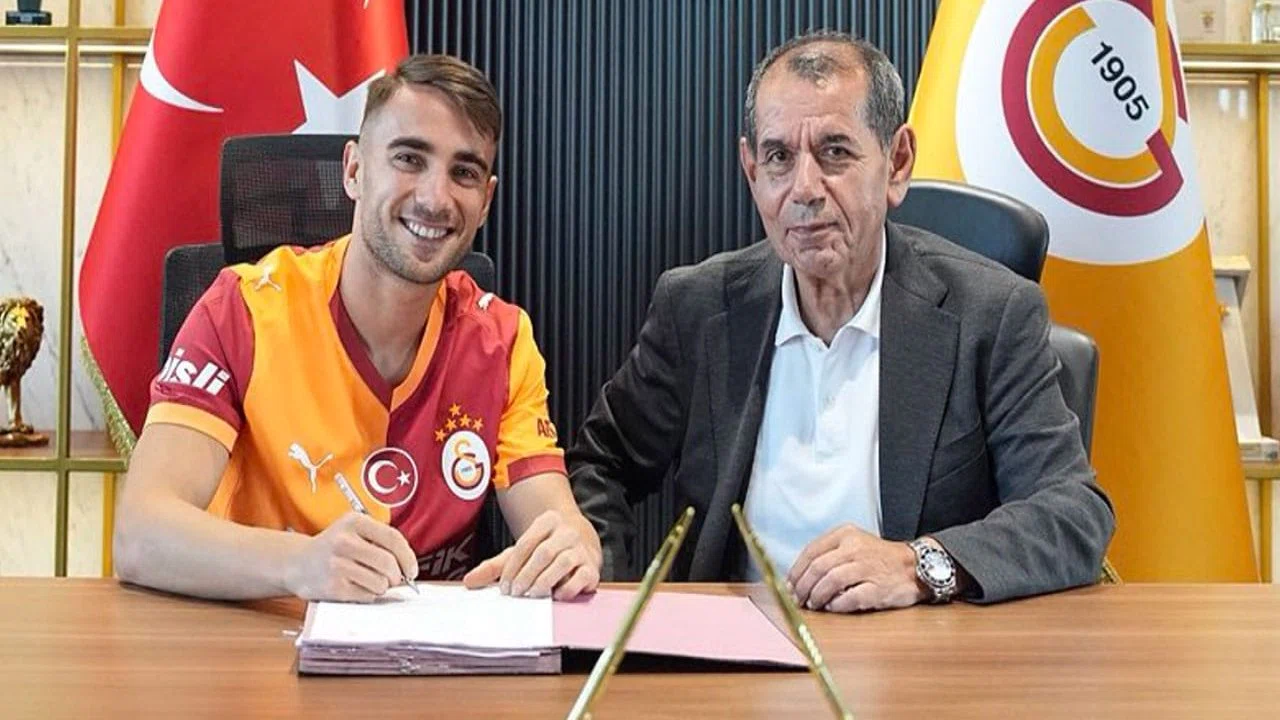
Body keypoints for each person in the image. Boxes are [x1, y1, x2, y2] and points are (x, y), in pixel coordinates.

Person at [568, 31, 1115, 612]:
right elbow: (600, 465)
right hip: (734, 649)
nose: (804, 189)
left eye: (834, 153)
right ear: (751, 170)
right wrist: (601, 583)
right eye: (779, 158)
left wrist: (919, 564)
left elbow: (1073, 514)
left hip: (916, 652)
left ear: (897, 163)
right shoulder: (698, 309)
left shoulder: (991, 314)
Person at [114, 54, 601, 603]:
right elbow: (141, 534)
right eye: (409, 159)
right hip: (260, 636)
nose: (435, 198)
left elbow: (556, 520)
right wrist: (300, 563)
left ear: (485, 201)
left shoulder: (503, 341)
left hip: (429, 647)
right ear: (353, 171)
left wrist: (575, 545)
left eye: (463, 173)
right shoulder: (242, 309)